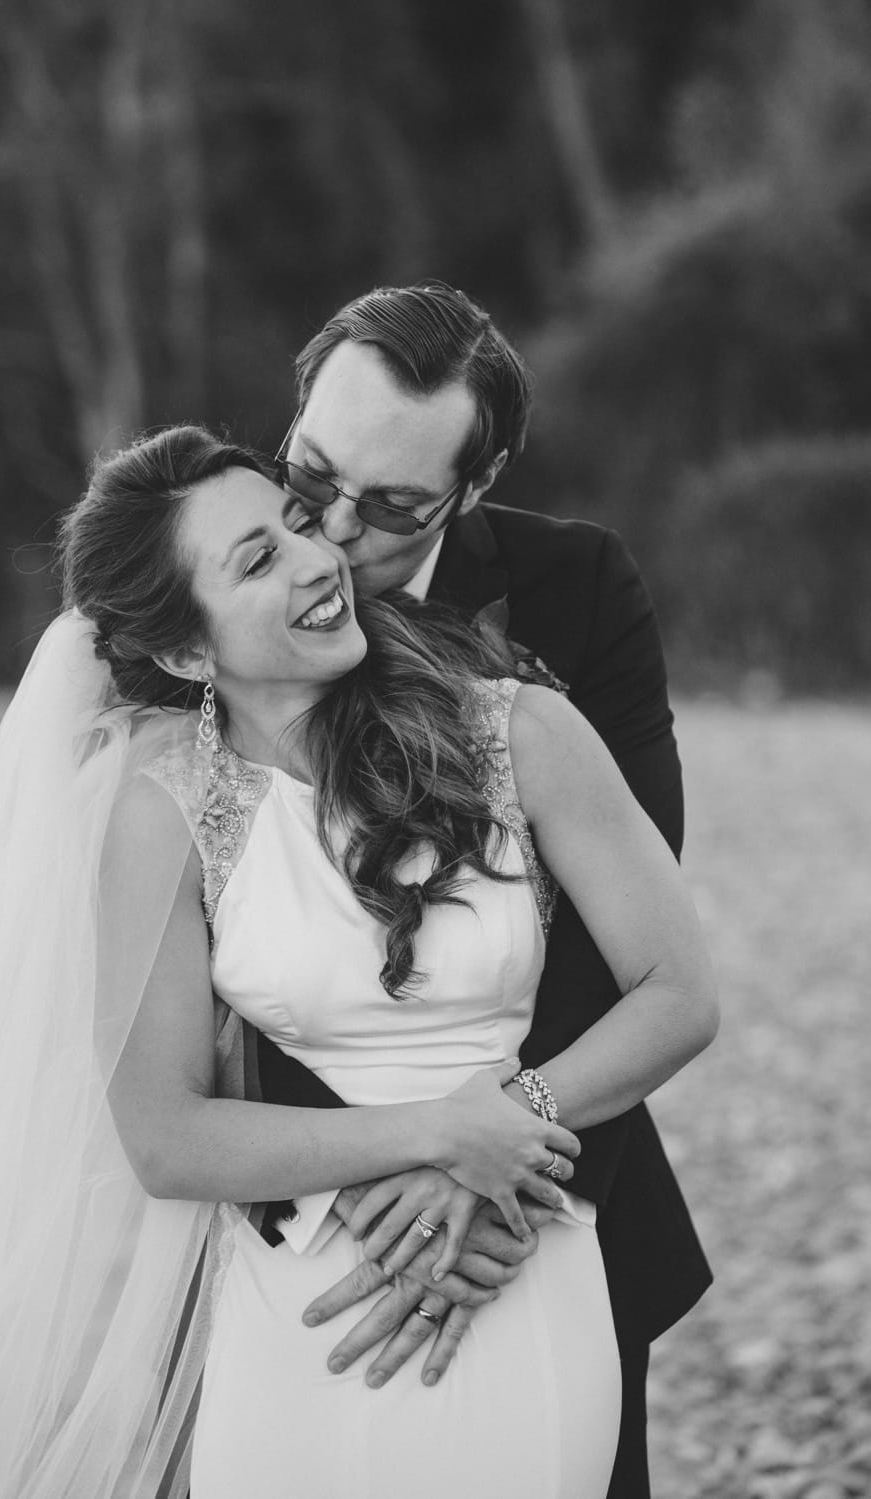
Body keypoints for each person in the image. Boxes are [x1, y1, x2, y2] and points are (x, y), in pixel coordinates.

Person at [0, 424, 716, 1498]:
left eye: (295, 520)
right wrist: (434, 1136)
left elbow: (679, 991)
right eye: (258, 558)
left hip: (517, 1257)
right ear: (186, 650)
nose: (318, 558)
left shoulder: (521, 731)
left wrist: (506, 1123)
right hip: (300, 1300)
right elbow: (166, 1135)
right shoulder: (165, 811)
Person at [258, 281, 714, 1497]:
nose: (334, 532)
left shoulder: (578, 589)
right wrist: (369, 1166)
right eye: (309, 477)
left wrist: (501, 1169)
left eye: (394, 506)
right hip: (284, 1208)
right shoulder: (209, 576)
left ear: (477, 478)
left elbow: (624, 939)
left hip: (555, 1182)